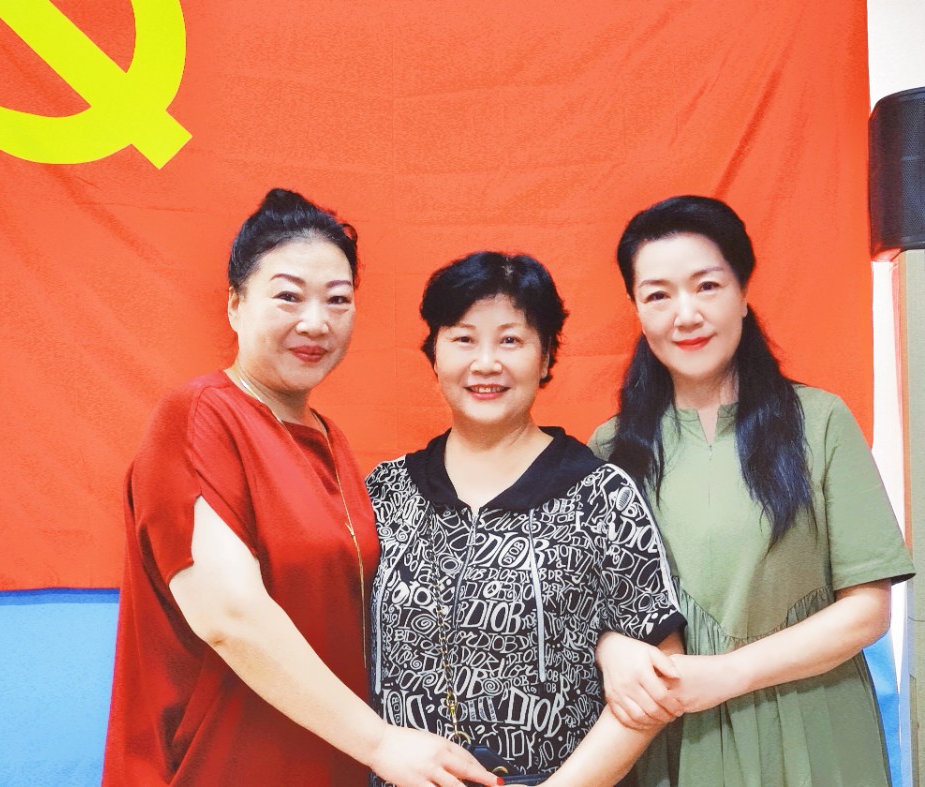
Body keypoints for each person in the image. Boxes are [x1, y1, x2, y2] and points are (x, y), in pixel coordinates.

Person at [101, 188, 500, 787]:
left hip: (327, 767)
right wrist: (381, 742)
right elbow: (229, 614)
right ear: (235, 305)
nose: (315, 323)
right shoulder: (199, 414)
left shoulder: (331, 441)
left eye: (338, 300)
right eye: (288, 296)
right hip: (215, 770)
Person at [589, 195, 916, 787]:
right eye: (658, 295)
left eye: (707, 286)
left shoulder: (820, 421)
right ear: (637, 310)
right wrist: (611, 647)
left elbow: (868, 610)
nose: (686, 314)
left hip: (814, 725)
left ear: (742, 294)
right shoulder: (609, 449)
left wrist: (729, 673)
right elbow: (592, 608)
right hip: (675, 735)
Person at [366, 251, 686, 787]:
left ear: (545, 357)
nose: (485, 363)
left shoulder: (599, 494)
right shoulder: (385, 491)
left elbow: (659, 669)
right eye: (463, 339)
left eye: (510, 340)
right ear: (434, 354)